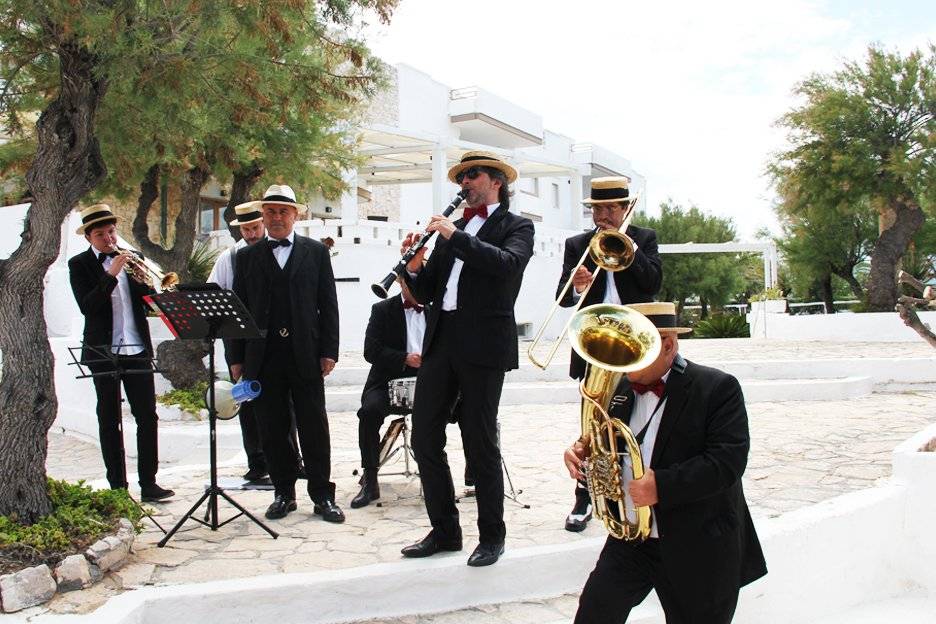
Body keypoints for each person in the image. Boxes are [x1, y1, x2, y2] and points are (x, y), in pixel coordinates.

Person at [563, 302, 766, 624]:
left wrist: (662, 485)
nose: (621, 362)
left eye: (633, 349)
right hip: (631, 540)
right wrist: (581, 450)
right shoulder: (621, 388)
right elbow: (606, 441)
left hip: (697, 544)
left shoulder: (717, 387)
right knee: (594, 614)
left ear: (669, 345)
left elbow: (727, 461)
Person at [398, 150, 534, 567]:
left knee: (479, 442)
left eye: (472, 175)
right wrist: (412, 267)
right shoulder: (452, 231)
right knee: (423, 438)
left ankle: (492, 536)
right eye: (461, 178)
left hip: (484, 345)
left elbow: (505, 265)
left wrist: (455, 237)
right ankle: (445, 531)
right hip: (443, 341)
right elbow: (426, 294)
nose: (464, 183)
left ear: (496, 181)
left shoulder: (517, 225)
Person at [228, 184, 343, 523]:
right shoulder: (246, 257)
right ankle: (283, 493)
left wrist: (329, 351)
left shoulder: (316, 252)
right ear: (263, 216)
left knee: (314, 426)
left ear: (295, 215)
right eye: (271, 211)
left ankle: (322, 496)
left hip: (305, 353)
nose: (277, 217)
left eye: (283, 211)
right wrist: (236, 358)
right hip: (263, 357)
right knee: (272, 428)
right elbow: (240, 310)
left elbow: (328, 305)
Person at [558, 176, 663, 533]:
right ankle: (585, 496)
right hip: (595, 343)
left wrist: (627, 246)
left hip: (635, 342)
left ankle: (631, 486)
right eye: (596, 209)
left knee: (633, 419)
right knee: (591, 425)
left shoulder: (644, 238)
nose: (601, 215)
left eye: (609, 208)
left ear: (625, 209)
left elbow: (652, 284)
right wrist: (578, 286)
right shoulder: (578, 245)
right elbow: (563, 296)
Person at [68, 204, 174, 502]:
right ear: (89, 237)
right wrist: (110, 275)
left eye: (112, 232)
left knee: (147, 417)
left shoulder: (133, 260)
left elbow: (148, 303)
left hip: (136, 348)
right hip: (103, 351)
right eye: (100, 234)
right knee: (109, 418)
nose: (108, 239)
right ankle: (117, 487)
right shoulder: (80, 265)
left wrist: (144, 282)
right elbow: (88, 307)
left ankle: (149, 483)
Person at [208, 201, 276, 483]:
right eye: (245, 229)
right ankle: (257, 462)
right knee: (246, 399)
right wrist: (235, 355)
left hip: (275, 336)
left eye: (254, 227)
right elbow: (216, 294)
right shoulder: (230, 257)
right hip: (242, 340)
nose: (250, 234)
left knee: (284, 400)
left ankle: (289, 458)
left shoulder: (277, 250)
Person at [350, 278, 426, 508]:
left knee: (466, 407)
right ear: (401, 282)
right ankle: (370, 481)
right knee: (368, 413)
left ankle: (466, 475)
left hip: (427, 382)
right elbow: (370, 351)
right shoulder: (382, 310)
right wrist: (404, 358)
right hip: (387, 380)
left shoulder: (435, 310)